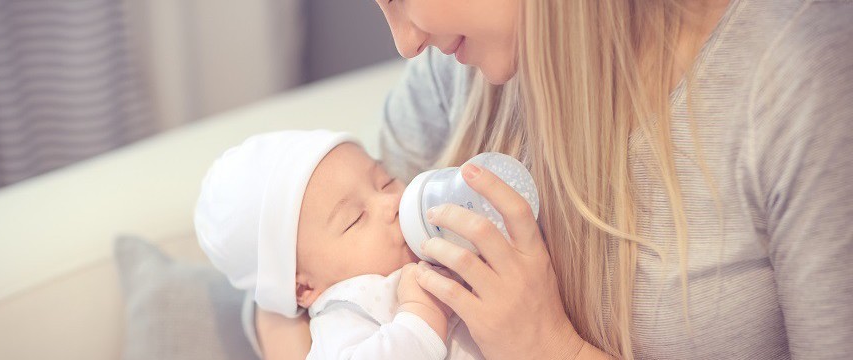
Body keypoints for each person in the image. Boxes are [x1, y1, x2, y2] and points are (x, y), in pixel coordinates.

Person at [254, 0, 853, 358]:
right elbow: (293, 266)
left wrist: (545, 347)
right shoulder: (460, 73)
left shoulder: (800, 81)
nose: (407, 43)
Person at [195, 130, 485, 359]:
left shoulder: (434, 238)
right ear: (304, 288)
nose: (391, 202)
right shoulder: (346, 310)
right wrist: (421, 316)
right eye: (354, 219)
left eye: (385, 182)